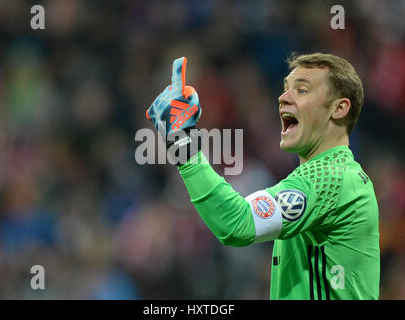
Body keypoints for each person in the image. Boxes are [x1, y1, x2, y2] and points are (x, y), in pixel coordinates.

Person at [146, 53, 380, 300]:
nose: (282, 98)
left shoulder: (331, 178)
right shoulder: (335, 177)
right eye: (285, 89)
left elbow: (237, 224)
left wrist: (182, 143)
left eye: (301, 90)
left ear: (339, 108)